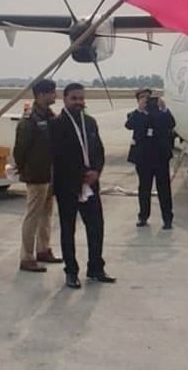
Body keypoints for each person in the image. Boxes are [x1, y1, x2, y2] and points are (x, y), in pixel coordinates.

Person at [50, 83, 115, 288]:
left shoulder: (90, 122)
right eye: (74, 98)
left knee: (96, 227)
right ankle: (71, 271)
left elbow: (99, 151)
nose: (78, 102)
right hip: (68, 185)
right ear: (64, 99)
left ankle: (96, 268)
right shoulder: (56, 125)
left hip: (91, 184)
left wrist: (96, 171)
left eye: (81, 98)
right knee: (68, 230)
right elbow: (57, 158)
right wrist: (79, 176)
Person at [14, 79, 63, 273]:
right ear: (41, 95)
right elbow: (20, 149)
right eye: (52, 92)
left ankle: (43, 249)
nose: (55, 95)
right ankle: (27, 257)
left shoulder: (49, 116)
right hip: (36, 174)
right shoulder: (30, 119)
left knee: (47, 214)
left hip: (49, 173)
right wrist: (23, 168)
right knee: (33, 216)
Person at [126, 88, 177, 229]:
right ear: (138, 100)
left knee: (164, 190)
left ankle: (167, 219)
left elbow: (171, 123)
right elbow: (129, 125)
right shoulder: (135, 115)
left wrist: (164, 109)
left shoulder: (160, 114)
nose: (147, 100)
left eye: (148, 97)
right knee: (144, 189)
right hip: (143, 159)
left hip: (160, 158)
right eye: (143, 98)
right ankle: (143, 216)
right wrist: (140, 110)